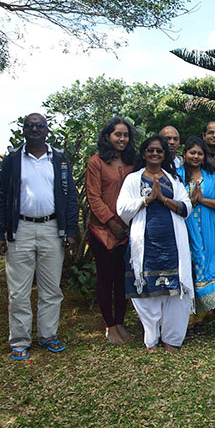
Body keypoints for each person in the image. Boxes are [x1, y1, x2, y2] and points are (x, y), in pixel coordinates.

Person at [0, 113, 78, 360]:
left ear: (47, 131)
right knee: (18, 291)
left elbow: (70, 197)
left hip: (52, 228)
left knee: (51, 289)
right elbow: (0, 196)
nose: (34, 129)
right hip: (20, 229)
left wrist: (70, 231)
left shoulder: (59, 159)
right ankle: (20, 341)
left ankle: (48, 336)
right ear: (23, 130)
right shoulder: (12, 160)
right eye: (29, 126)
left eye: (39, 125)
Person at [117, 136, 193, 352]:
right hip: (145, 244)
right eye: (150, 150)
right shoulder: (133, 179)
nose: (155, 154)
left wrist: (163, 199)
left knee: (176, 294)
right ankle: (151, 340)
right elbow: (122, 209)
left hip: (173, 244)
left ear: (164, 155)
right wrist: (146, 200)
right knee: (146, 295)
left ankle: (172, 340)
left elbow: (187, 207)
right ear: (143, 153)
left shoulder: (173, 180)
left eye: (159, 151)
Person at [86, 117, 135, 344]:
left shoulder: (132, 163)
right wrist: (111, 222)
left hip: (127, 230)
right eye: (118, 134)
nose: (122, 139)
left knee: (122, 279)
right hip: (102, 231)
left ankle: (120, 323)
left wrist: (125, 224)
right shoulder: (96, 162)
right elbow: (93, 197)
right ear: (108, 137)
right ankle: (110, 326)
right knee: (105, 279)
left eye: (125, 135)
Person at [177, 137, 215, 314]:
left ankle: (205, 312)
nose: (195, 156)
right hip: (183, 228)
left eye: (200, 153)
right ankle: (187, 315)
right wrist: (190, 201)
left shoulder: (211, 176)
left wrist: (202, 200)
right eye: (192, 152)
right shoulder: (177, 176)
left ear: (205, 156)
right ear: (185, 154)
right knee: (187, 266)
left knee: (208, 263)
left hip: (208, 230)